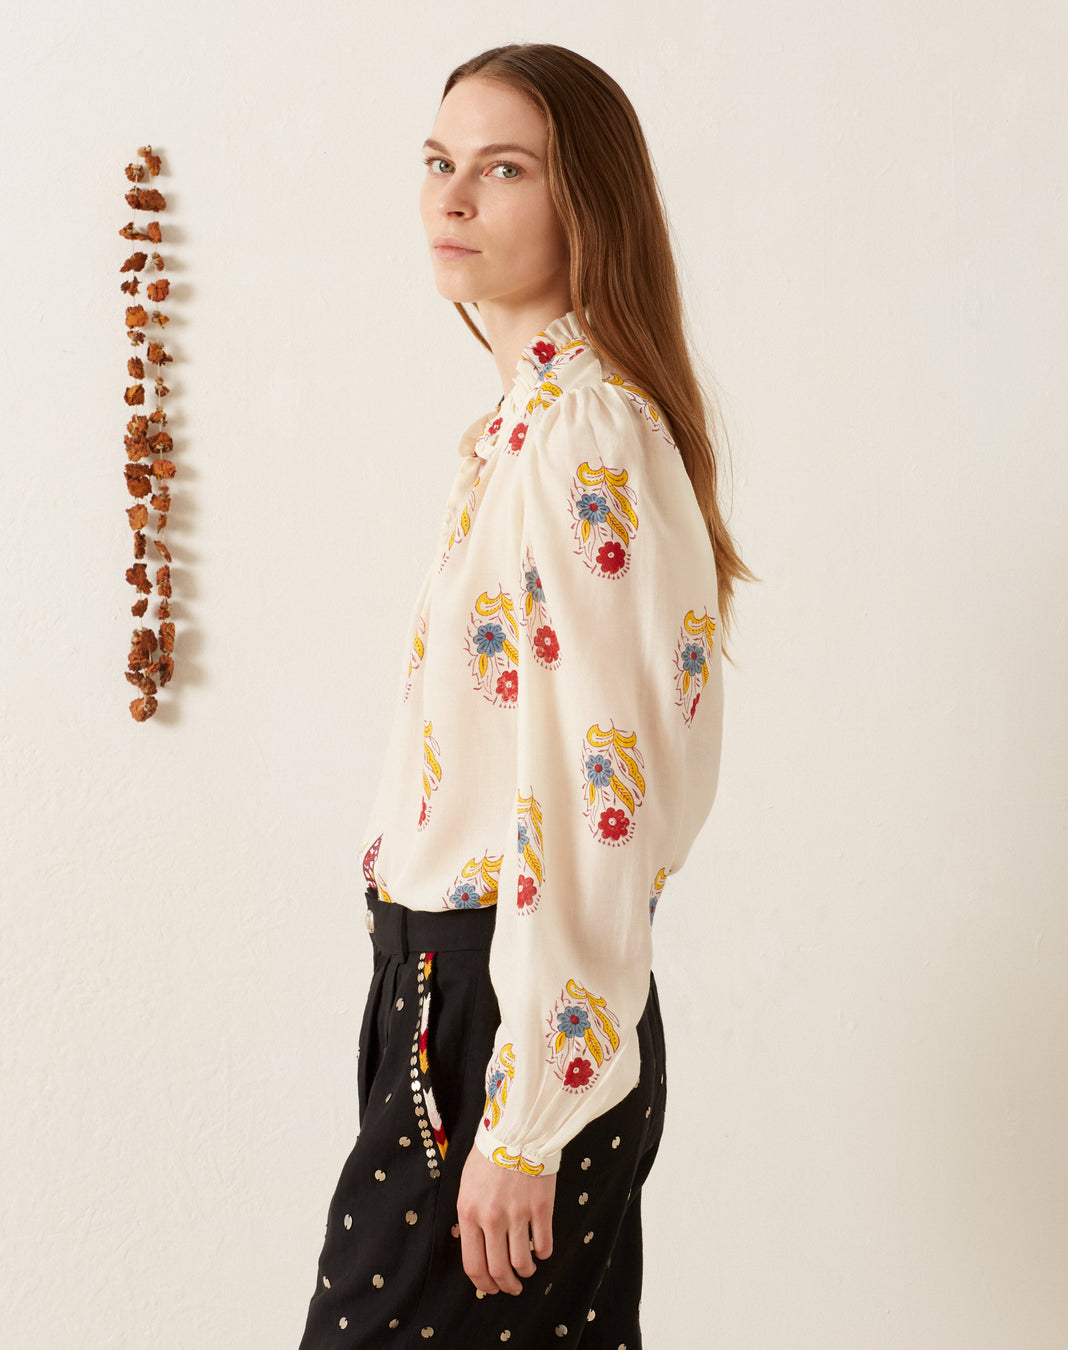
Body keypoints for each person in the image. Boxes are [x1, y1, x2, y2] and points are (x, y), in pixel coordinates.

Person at [297, 42, 752, 1350]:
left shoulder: (580, 435)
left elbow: (603, 789)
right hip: (454, 998)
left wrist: (529, 1106)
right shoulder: (524, 426)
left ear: (581, 205)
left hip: (506, 1017)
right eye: (438, 164)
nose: (452, 198)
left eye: (502, 169)